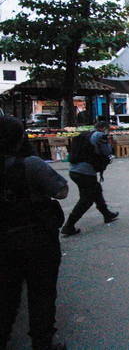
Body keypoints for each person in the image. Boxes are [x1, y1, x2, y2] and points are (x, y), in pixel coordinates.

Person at [1, 116, 68, 350]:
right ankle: (42, 343)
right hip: (36, 238)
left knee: (6, 296)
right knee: (42, 293)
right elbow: (61, 190)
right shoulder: (30, 164)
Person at [61, 121, 118, 236]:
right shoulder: (100, 135)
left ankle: (107, 214)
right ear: (104, 128)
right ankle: (69, 225)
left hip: (74, 170)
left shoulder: (85, 135)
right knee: (86, 199)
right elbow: (107, 152)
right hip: (85, 172)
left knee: (96, 190)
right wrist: (110, 146)